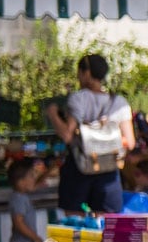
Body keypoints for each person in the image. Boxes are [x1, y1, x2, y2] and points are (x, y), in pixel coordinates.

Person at [49, 54, 135, 215]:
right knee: (107, 221)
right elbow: (130, 142)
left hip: (79, 167)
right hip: (109, 169)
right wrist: (108, 144)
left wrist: (53, 114)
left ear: (86, 73)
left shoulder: (78, 99)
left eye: (79, 72)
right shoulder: (119, 102)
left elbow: (67, 135)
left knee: (74, 220)